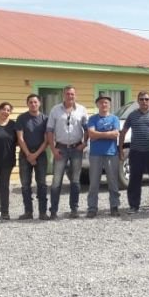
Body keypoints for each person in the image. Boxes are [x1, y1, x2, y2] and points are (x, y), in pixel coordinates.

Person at [119, 91, 149, 214]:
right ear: (138, 101)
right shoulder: (132, 115)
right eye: (141, 99)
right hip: (136, 153)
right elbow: (123, 132)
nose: (144, 101)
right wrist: (120, 149)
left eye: (146, 99)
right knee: (134, 180)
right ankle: (134, 206)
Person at [45, 85, 89, 219]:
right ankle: (53, 211)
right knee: (56, 181)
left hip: (76, 149)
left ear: (75, 95)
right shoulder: (55, 110)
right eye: (68, 94)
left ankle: (74, 209)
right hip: (61, 148)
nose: (70, 96)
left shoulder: (82, 109)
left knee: (75, 180)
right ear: (63, 95)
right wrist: (53, 149)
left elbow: (87, 129)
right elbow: (49, 131)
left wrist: (84, 143)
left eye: (72, 94)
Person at [15, 94, 49, 220]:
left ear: (39, 103)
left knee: (42, 184)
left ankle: (43, 212)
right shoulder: (22, 118)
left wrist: (35, 154)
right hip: (25, 155)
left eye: (35, 102)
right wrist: (29, 155)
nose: (33, 104)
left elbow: (47, 140)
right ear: (27, 104)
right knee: (25, 184)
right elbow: (20, 138)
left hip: (40, 154)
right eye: (30, 102)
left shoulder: (45, 119)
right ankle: (28, 212)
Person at [86, 95, 121, 218]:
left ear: (109, 105)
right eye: (101, 103)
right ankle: (92, 208)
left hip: (111, 153)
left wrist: (98, 134)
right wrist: (108, 134)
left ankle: (114, 206)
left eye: (106, 103)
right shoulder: (92, 119)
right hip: (95, 154)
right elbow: (91, 134)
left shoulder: (115, 119)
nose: (104, 105)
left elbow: (115, 134)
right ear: (97, 105)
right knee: (94, 183)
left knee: (113, 182)